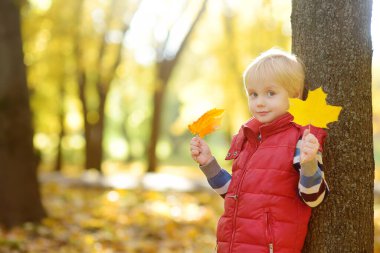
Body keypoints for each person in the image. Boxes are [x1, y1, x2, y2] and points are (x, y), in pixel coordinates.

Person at [189, 48, 329, 253]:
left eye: (270, 93)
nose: (259, 102)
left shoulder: (302, 137)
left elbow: (313, 198)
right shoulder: (248, 136)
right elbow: (233, 193)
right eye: (253, 94)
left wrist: (309, 164)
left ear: (294, 95)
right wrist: (209, 164)